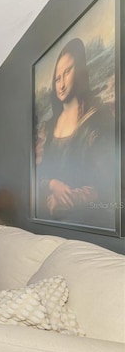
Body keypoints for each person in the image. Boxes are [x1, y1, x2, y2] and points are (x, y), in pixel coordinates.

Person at [35, 37, 115, 229]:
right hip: (54, 224)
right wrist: (53, 184)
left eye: (67, 72)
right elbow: (39, 174)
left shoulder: (97, 119)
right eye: (57, 78)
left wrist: (66, 198)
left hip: (91, 222)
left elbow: (108, 184)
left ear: (78, 71)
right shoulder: (48, 126)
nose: (61, 84)